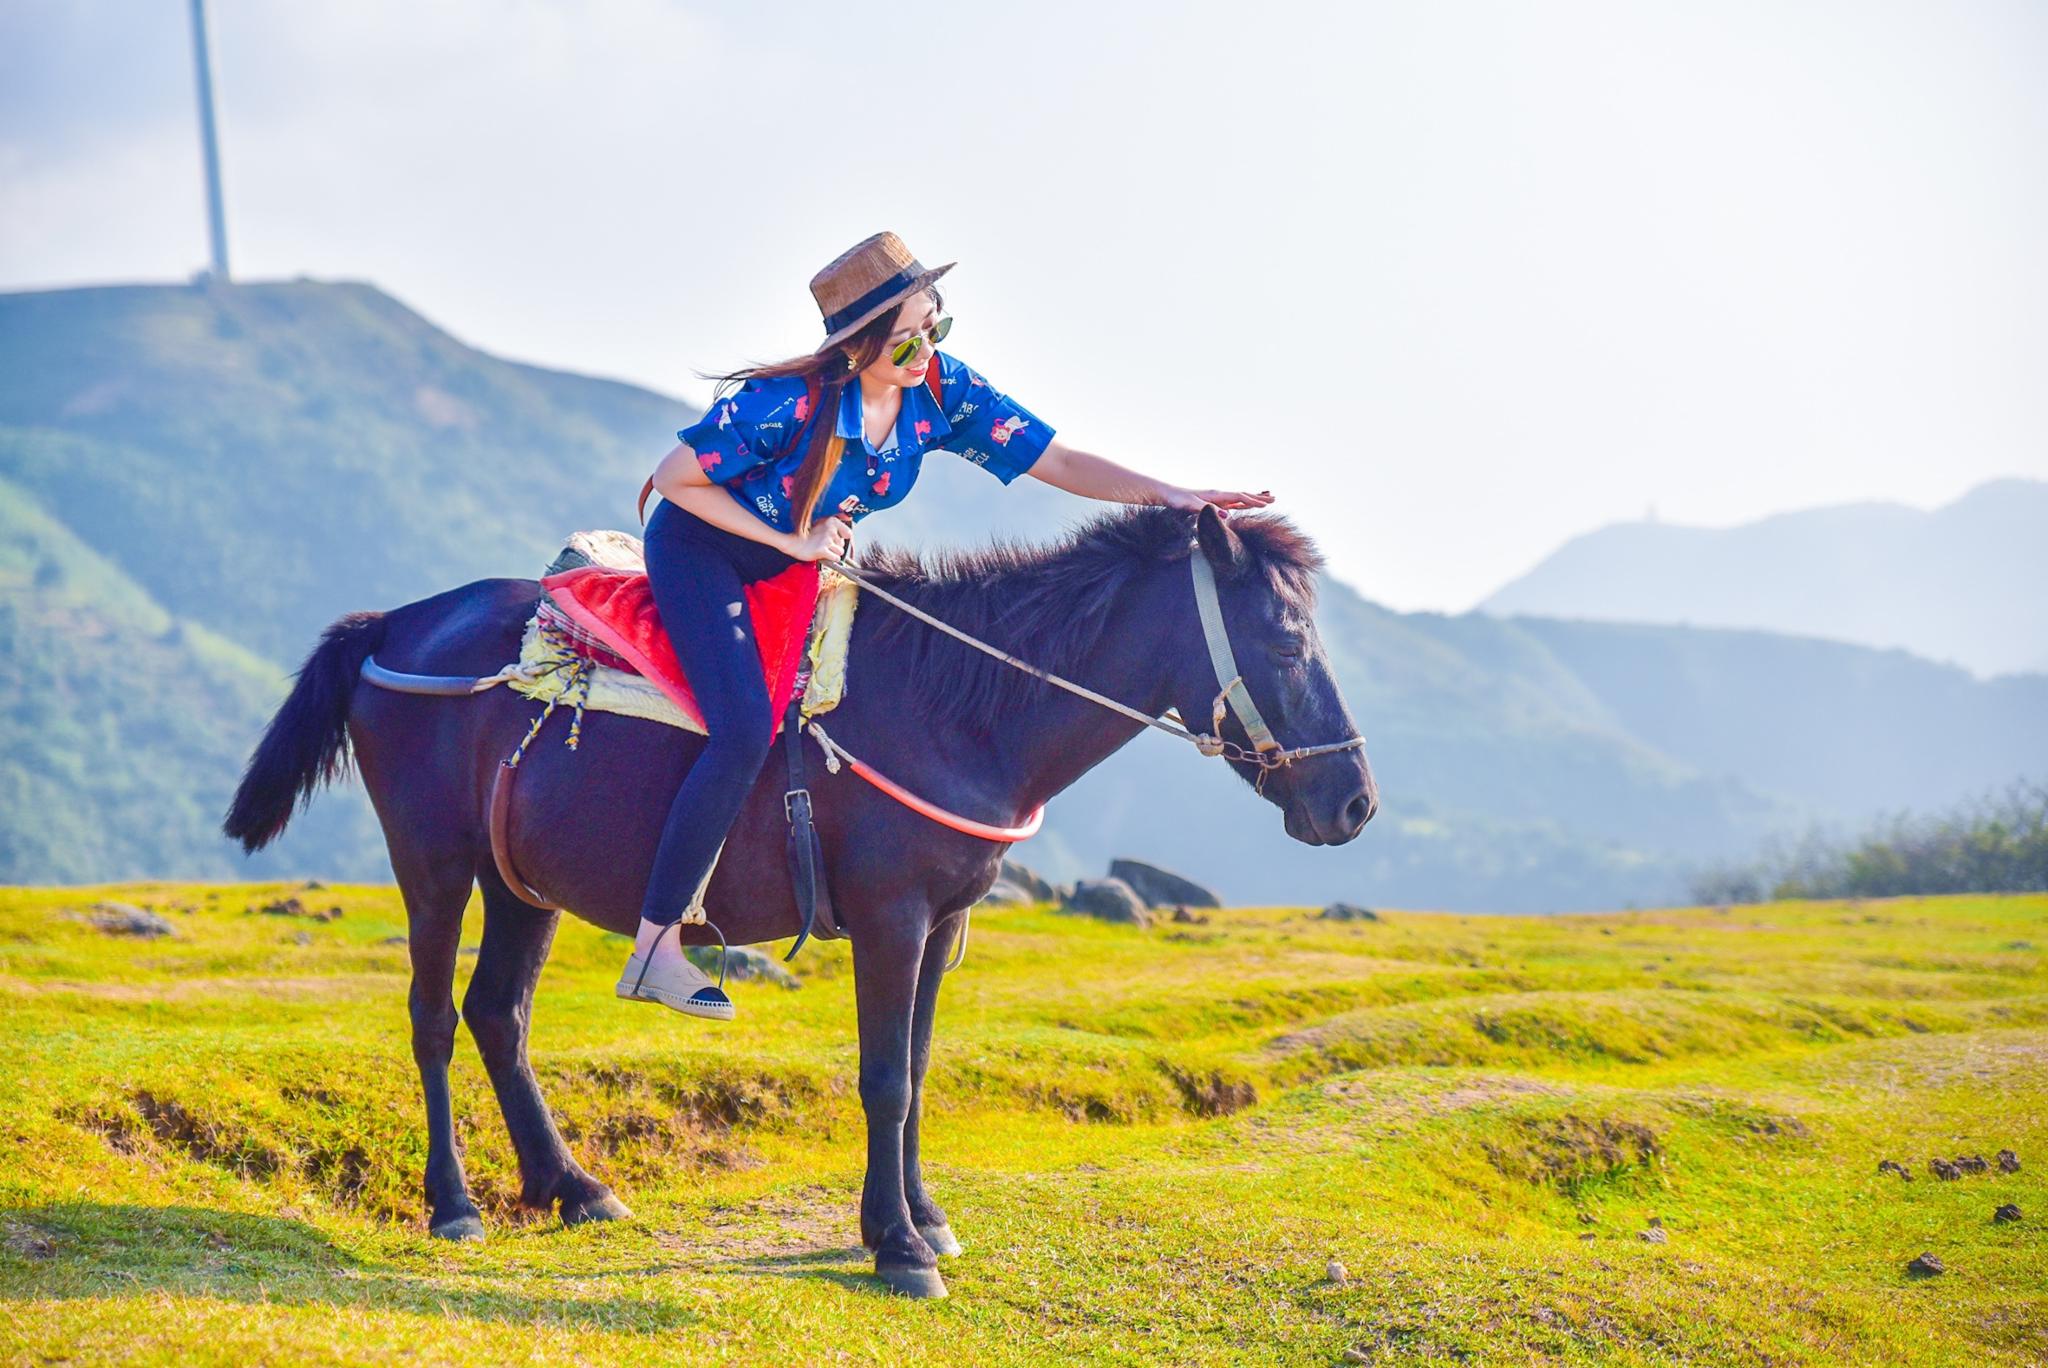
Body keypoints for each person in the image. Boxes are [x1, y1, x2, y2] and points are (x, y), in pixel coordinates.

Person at [617, 231, 1274, 1018]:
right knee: (741, 730)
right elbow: (674, 479)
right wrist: (794, 542)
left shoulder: (942, 391)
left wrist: (1173, 495)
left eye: (939, 326)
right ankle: (655, 946)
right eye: (906, 340)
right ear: (855, 347)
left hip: (800, 559)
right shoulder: (786, 404)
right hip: (704, 554)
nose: (926, 349)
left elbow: (1055, 460)